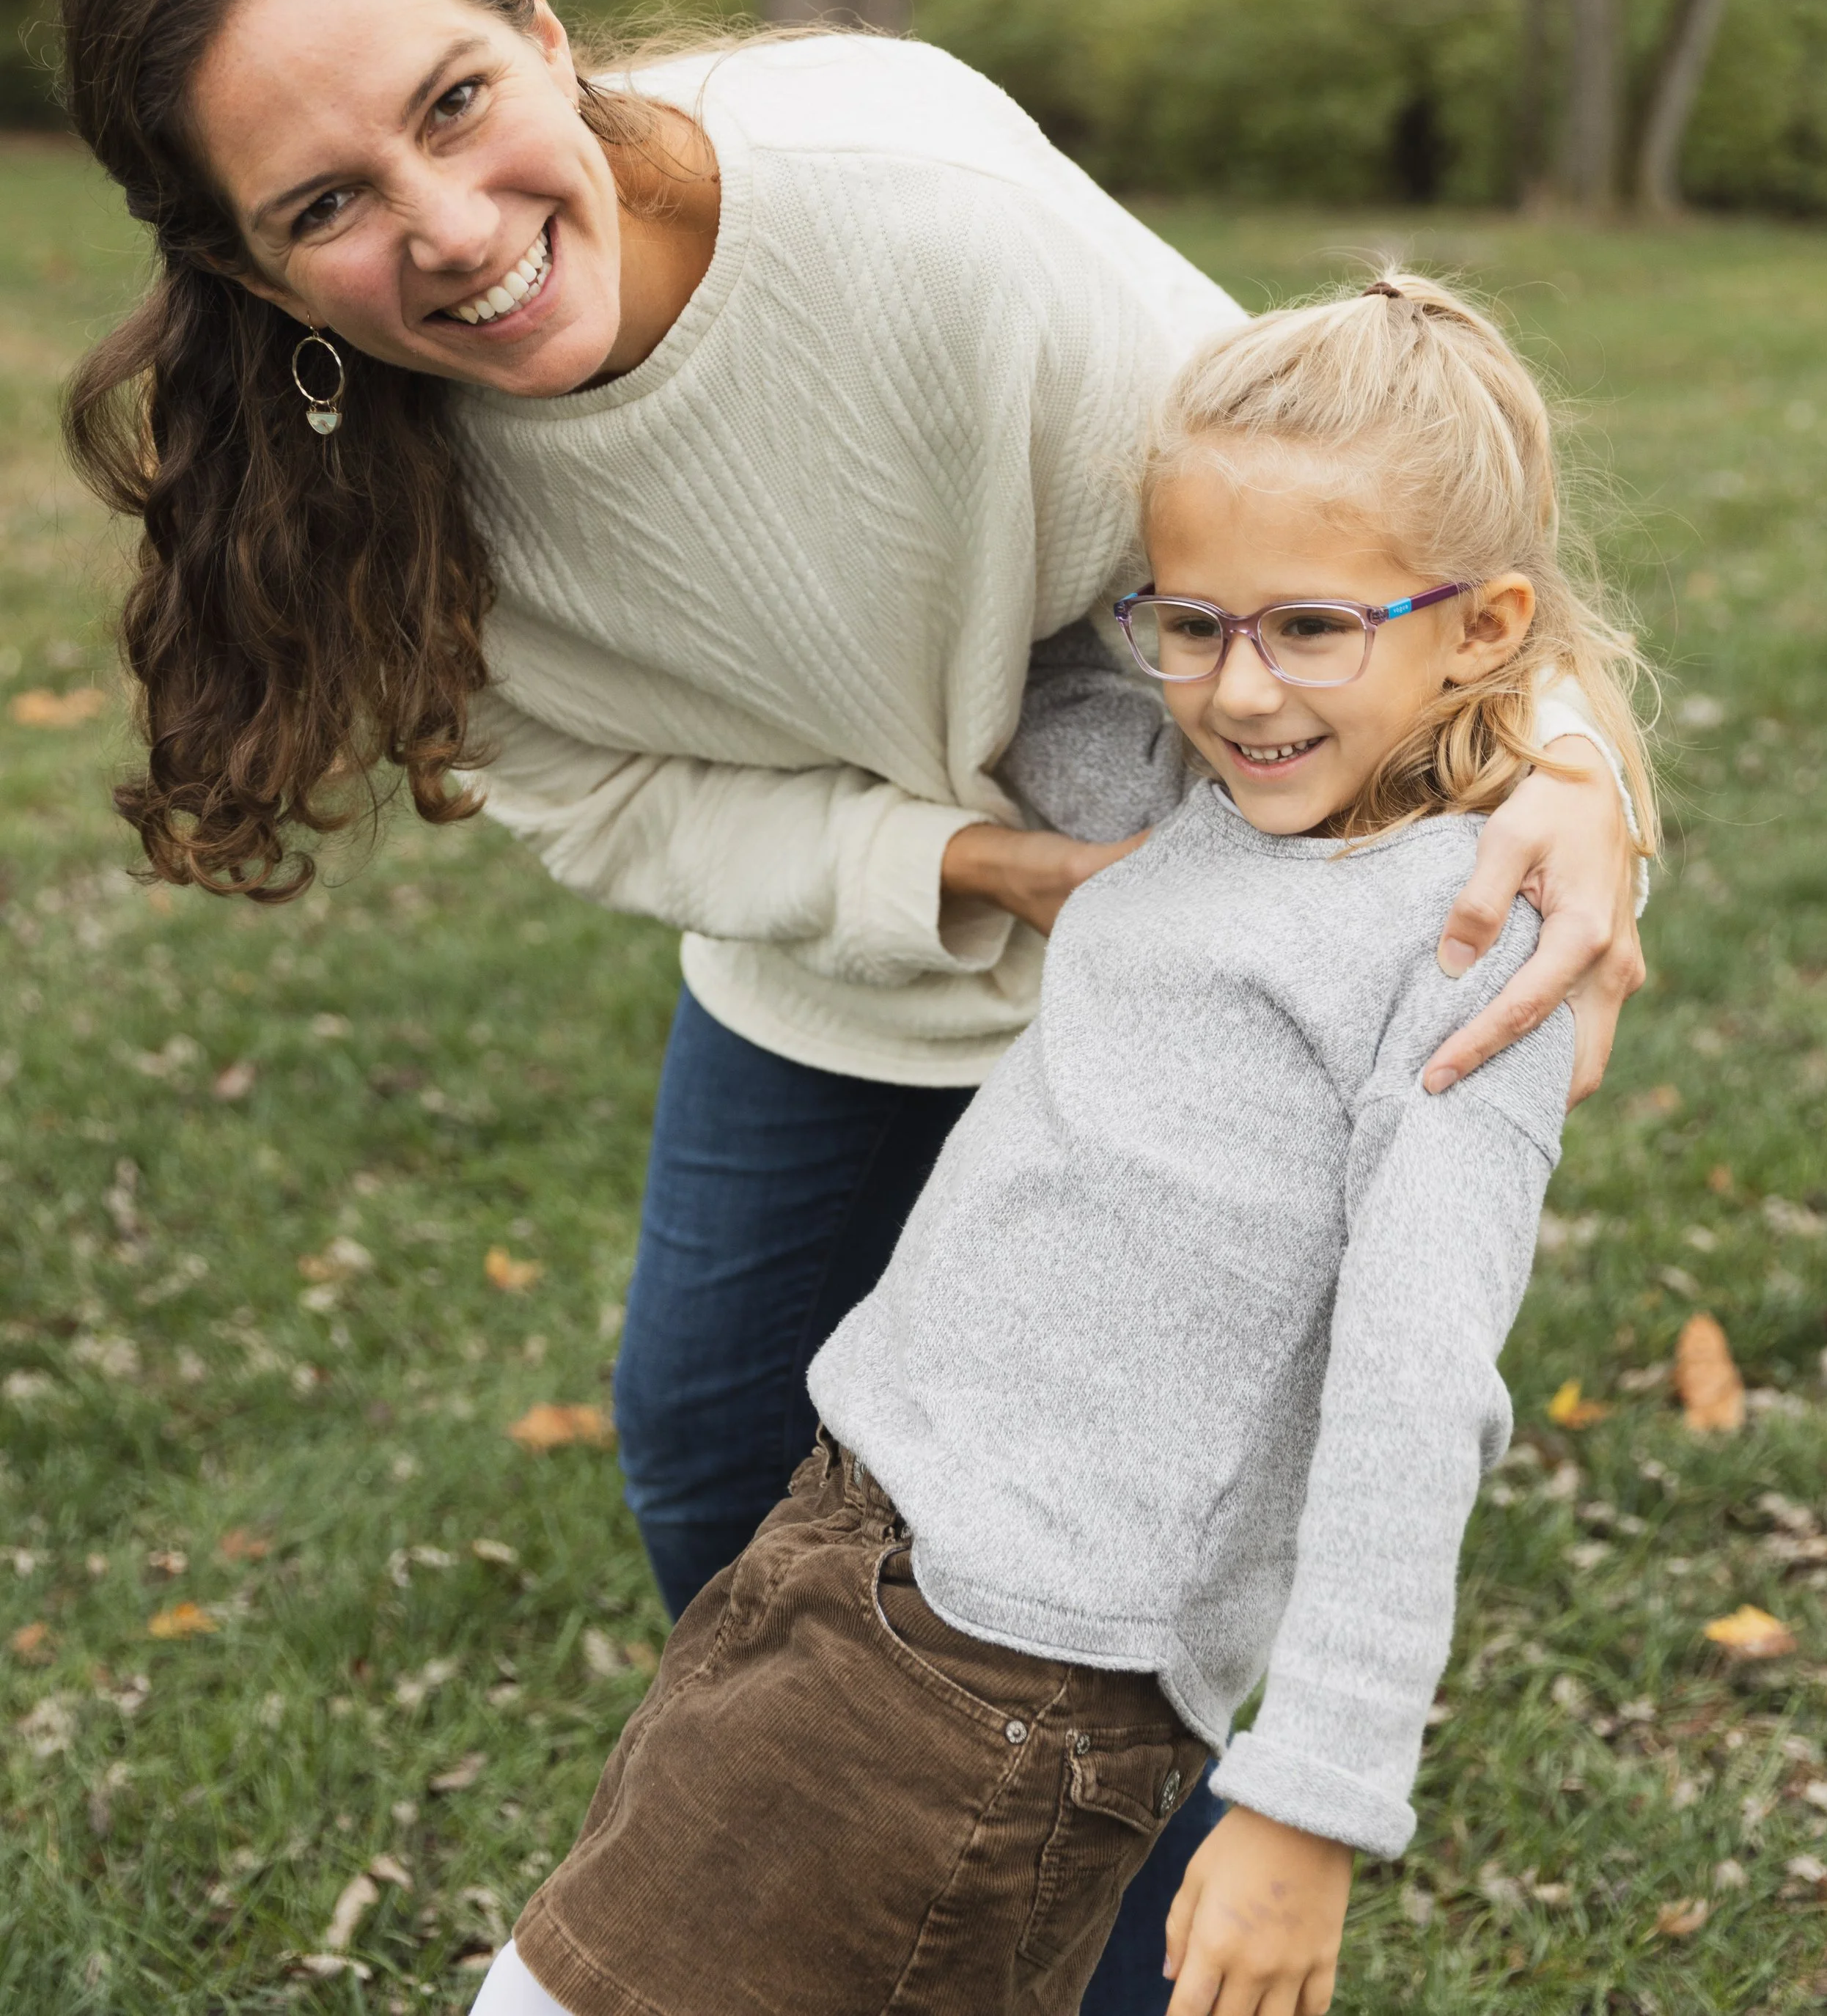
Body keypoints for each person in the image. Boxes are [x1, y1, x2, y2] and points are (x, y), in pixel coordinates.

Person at [58, 0, 1644, 2015]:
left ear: (540, 30)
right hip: (868, 910)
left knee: (1107, 1546)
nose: (446, 230)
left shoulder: (920, 215)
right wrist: (953, 869)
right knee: (725, 1431)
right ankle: (899, 1833)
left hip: (1184, 854)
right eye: (321, 205)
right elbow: (580, 787)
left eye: (452, 105)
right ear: (244, 272)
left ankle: (1122, 1873)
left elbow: (1322, 513)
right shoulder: (347, 480)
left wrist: (1570, 769)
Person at [471, 271, 1658, 2016]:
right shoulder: (1194, 797)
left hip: (1001, 1674)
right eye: (1186, 622)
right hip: (846, 1545)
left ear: (1480, 629)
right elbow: (922, 652)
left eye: (1310, 628)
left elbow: (1419, 1393)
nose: (1237, 688)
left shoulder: (1469, 946)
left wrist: (1309, 1801)